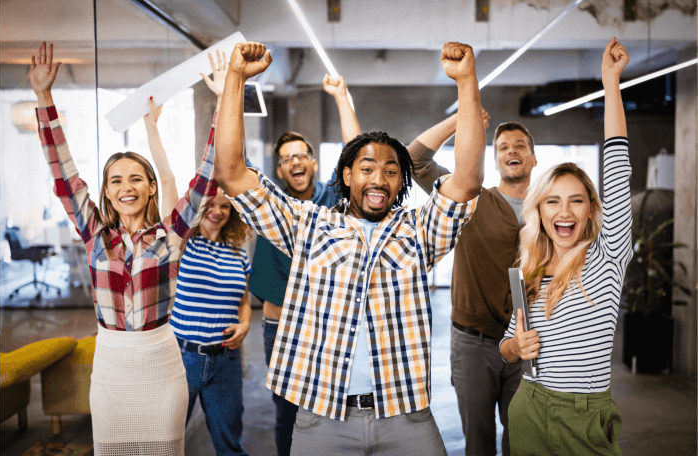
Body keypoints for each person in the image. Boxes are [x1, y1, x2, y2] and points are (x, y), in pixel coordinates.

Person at [215, 40, 485, 456]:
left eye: (391, 171)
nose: (379, 177)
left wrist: (467, 82)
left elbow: (466, 180)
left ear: (401, 184)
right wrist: (235, 79)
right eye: (367, 167)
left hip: (405, 415)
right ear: (346, 175)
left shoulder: (417, 231)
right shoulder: (309, 225)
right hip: (322, 417)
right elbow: (232, 174)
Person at [30, 42, 218, 454]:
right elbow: (64, 173)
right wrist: (44, 97)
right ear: (107, 192)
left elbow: (208, 176)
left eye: (136, 178)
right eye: (116, 180)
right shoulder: (96, 236)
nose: (125, 187)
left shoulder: (170, 235)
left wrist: (223, 102)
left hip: (162, 373)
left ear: (151, 187)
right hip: (112, 373)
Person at [499, 38, 631, 456]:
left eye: (576, 199)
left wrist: (611, 83)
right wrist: (514, 348)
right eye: (552, 201)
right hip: (530, 406)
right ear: (539, 211)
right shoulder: (531, 269)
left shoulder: (607, 257)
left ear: (592, 209)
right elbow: (508, 342)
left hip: (585, 413)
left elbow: (617, 166)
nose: (565, 211)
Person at [144, 50, 253, 456]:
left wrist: (244, 326)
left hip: (225, 363)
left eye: (225, 205)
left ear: (231, 213)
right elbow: (169, 178)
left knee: (230, 445)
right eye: (212, 204)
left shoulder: (238, 253)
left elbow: (243, 302)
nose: (217, 209)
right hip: (182, 358)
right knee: (165, 443)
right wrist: (152, 128)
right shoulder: (182, 240)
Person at [407, 111, 536, 453]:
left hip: (530, 343)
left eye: (520, 145)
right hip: (474, 344)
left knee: (523, 439)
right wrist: (460, 120)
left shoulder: (551, 208)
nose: (512, 150)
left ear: (533, 157)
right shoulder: (471, 198)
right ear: (494, 159)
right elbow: (414, 160)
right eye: (503, 146)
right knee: (478, 443)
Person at [248, 73, 361, 456]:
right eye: (286, 158)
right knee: (286, 413)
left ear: (313, 163)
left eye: (301, 154)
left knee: (326, 410)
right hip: (279, 327)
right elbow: (231, 163)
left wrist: (341, 96)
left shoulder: (332, 198)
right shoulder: (269, 206)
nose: (294, 161)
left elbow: (357, 152)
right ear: (279, 171)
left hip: (324, 325)